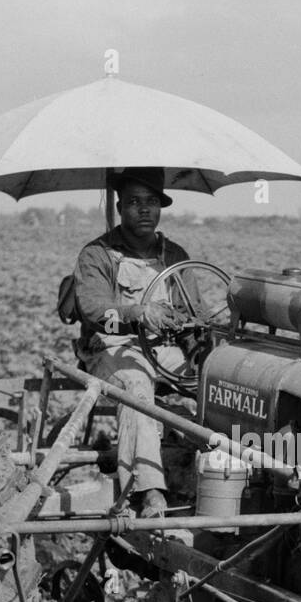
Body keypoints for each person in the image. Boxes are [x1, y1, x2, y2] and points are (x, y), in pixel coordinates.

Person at [72, 167, 192, 519]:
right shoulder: (97, 255)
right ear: (120, 207)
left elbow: (192, 310)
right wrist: (137, 312)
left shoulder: (175, 255)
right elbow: (93, 311)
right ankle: (148, 492)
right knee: (136, 389)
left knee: (211, 388)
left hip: (162, 347)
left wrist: (191, 323)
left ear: (160, 208)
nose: (144, 210)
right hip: (109, 346)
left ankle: (213, 475)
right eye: (135, 202)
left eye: (151, 202)